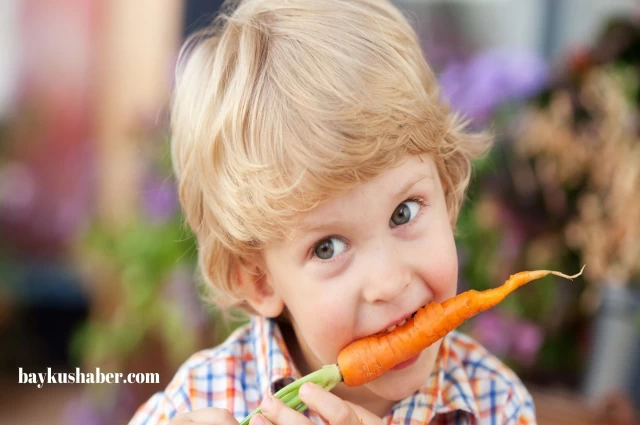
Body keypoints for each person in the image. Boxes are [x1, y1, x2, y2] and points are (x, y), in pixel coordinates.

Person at [129, 0, 536, 423]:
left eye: (403, 213)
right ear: (260, 280)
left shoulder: (496, 404)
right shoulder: (196, 402)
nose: (389, 282)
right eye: (327, 247)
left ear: (446, 189)